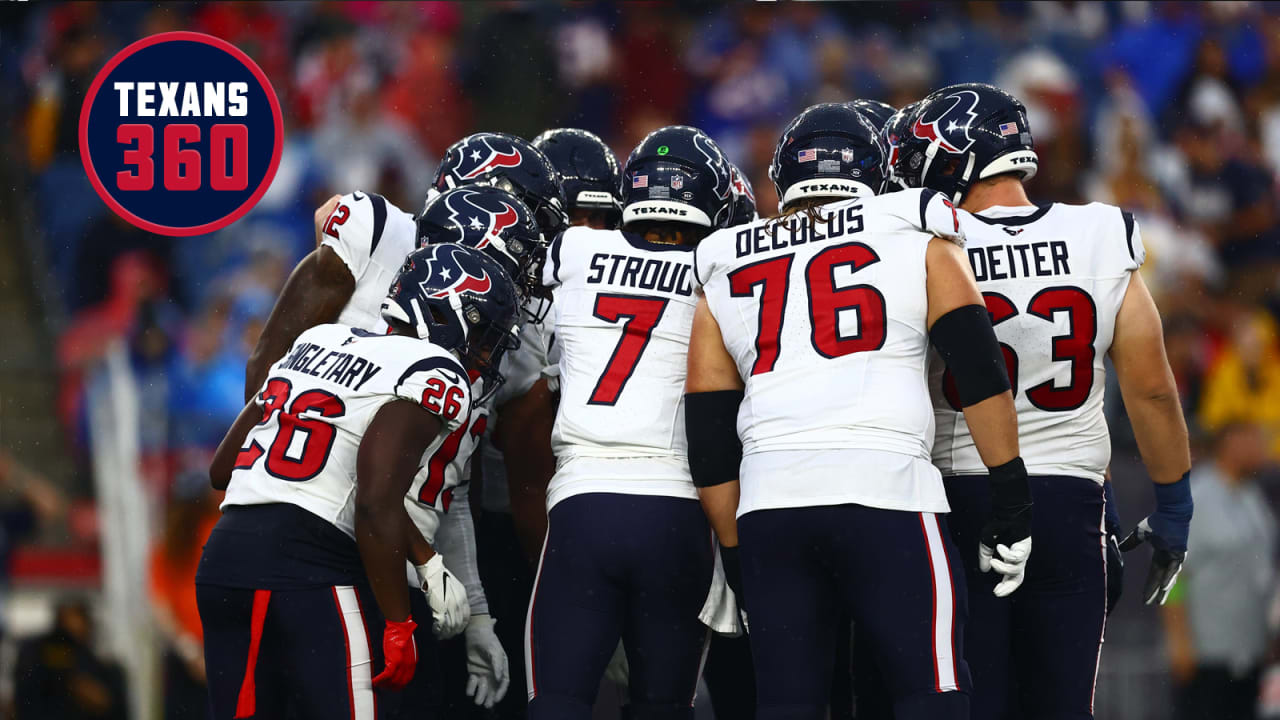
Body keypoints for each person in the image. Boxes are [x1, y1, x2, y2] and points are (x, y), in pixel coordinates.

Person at [687, 107, 1034, 718]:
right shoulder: (912, 225)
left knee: (789, 707)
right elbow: (979, 375)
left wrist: (741, 552)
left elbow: (709, 432)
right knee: (933, 692)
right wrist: (1012, 497)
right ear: (878, 170)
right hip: (888, 493)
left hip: (771, 504)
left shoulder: (724, 258)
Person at [895, 82, 1194, 719]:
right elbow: (1153, 389)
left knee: (976, 702)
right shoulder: (1098, 231)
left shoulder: (924, 243)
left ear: (953, 154)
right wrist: (1174, 505)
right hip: (1072, 505)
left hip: (964, 498)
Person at [197, 244, 519, 720]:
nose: (485, 354)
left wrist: (426, 559)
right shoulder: (436, 371)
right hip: (312, 568)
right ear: (446, 315)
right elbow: (374, 500)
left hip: (224, 559)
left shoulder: (319, 340)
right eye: (483, 336)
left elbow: (223, 469)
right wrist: (397, 623)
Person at [523, 125, 734, 720]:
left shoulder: (572, 248)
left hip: (582, 504)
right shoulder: (723, 265)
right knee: (664, 706)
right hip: (678, 510)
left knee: (558, 702)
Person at [1163, 423, 1274, 720]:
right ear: (1231, 443)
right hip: (1206, 653)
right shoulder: (1198, 497)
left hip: (1249, 647)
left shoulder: (1252, 497)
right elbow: (1170, 571)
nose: (1264, 447)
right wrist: (1179, 640)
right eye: (1255, 439)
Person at [15, 599, 129, 720]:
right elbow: (70, 680)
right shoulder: (53, 647)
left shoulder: (86, 653)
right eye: (79, 616)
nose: (85, 624)